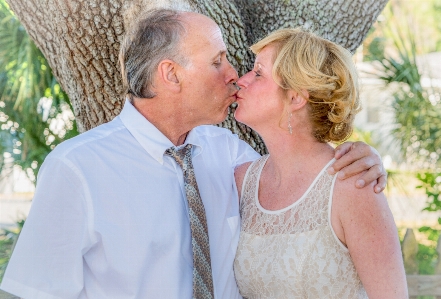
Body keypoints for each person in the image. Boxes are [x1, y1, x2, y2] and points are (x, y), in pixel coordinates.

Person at [1, 9, 386, 299]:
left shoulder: (231, 156)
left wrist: (363, 157)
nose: (233, 74)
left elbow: (302, 181)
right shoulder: (77, 169)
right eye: (217, 61)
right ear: (171, 75)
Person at [233, 28, 407, 298]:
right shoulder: (241, 182)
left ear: (295, 97)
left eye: (258, 73)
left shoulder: (353, 184)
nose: (241, 80)